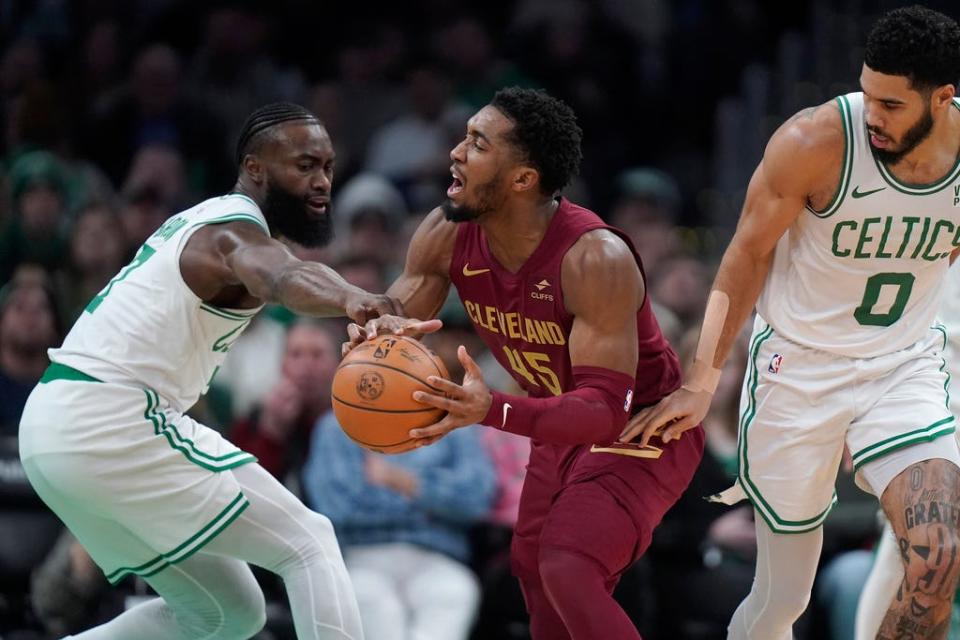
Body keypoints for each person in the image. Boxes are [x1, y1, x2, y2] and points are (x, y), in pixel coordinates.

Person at [619, 6, 960, 639]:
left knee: (937, 555)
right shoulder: (816, 140)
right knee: (783, 600)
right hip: (798, 369)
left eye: (891, 104)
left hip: (902, 367)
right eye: (868, 94)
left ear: (943, 98)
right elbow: (744, 256)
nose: (873, 115)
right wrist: (702, 377)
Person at [18, 102, 403, 639]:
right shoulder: (233, 233)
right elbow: (283, 276)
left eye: (328, 167)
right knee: (308, 540)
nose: (322, 183)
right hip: (109, 415)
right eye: (304, 166)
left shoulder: (202, 221)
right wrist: (350, 296)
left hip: (55, 430)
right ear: (255, 168)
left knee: (228, 613)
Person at [345, 86, 704, 639]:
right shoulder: (447, 232)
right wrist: (370, 343)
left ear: (522, 178)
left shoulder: (594, 256)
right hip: (556, 423)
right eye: (463, 139)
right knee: (536, 579)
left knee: (568, 565)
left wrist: (492, 410)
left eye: (477, 144)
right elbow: (398, 319)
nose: (455, 153)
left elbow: (605, 411)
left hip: (643, 426)